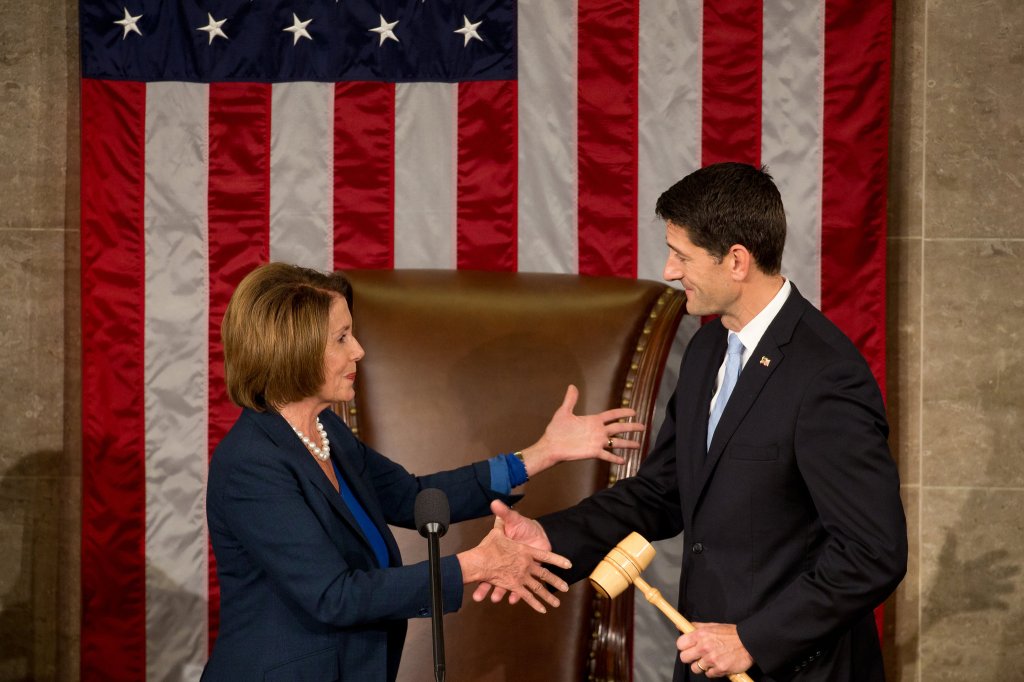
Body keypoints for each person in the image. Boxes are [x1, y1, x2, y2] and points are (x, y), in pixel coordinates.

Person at [478, 162, 908, 681]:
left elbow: (874, 552)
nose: (668, 270)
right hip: (706, 662)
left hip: (795, 669)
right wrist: (552, 536)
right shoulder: (708, 348)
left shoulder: (827, 375)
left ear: (736, 261)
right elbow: (664, 493)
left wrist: (754, 639)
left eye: (681, 255)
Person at [201, 262, 645, 681]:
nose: (358, 350)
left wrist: (541, 454)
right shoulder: (252, 466)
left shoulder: (324, 430)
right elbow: (333, 596)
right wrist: (473, 565)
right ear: (291, 349)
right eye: (341, 338)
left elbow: (414, 498)